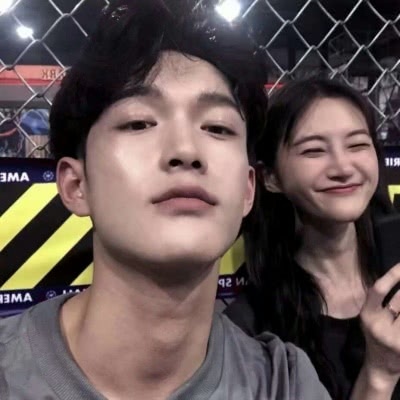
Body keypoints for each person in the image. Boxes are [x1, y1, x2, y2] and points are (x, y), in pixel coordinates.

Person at [0, 2, 333, 399]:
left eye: (217, 127)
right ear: (76, 184)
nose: (186, 150)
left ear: (248, 190)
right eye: (139, 122)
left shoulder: (284, 383)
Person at [225, 77, 400, 399]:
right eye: (314, 150)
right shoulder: (251, 329)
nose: (343, 167)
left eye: (357, 145)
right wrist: (379, 373)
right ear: (270, 177)